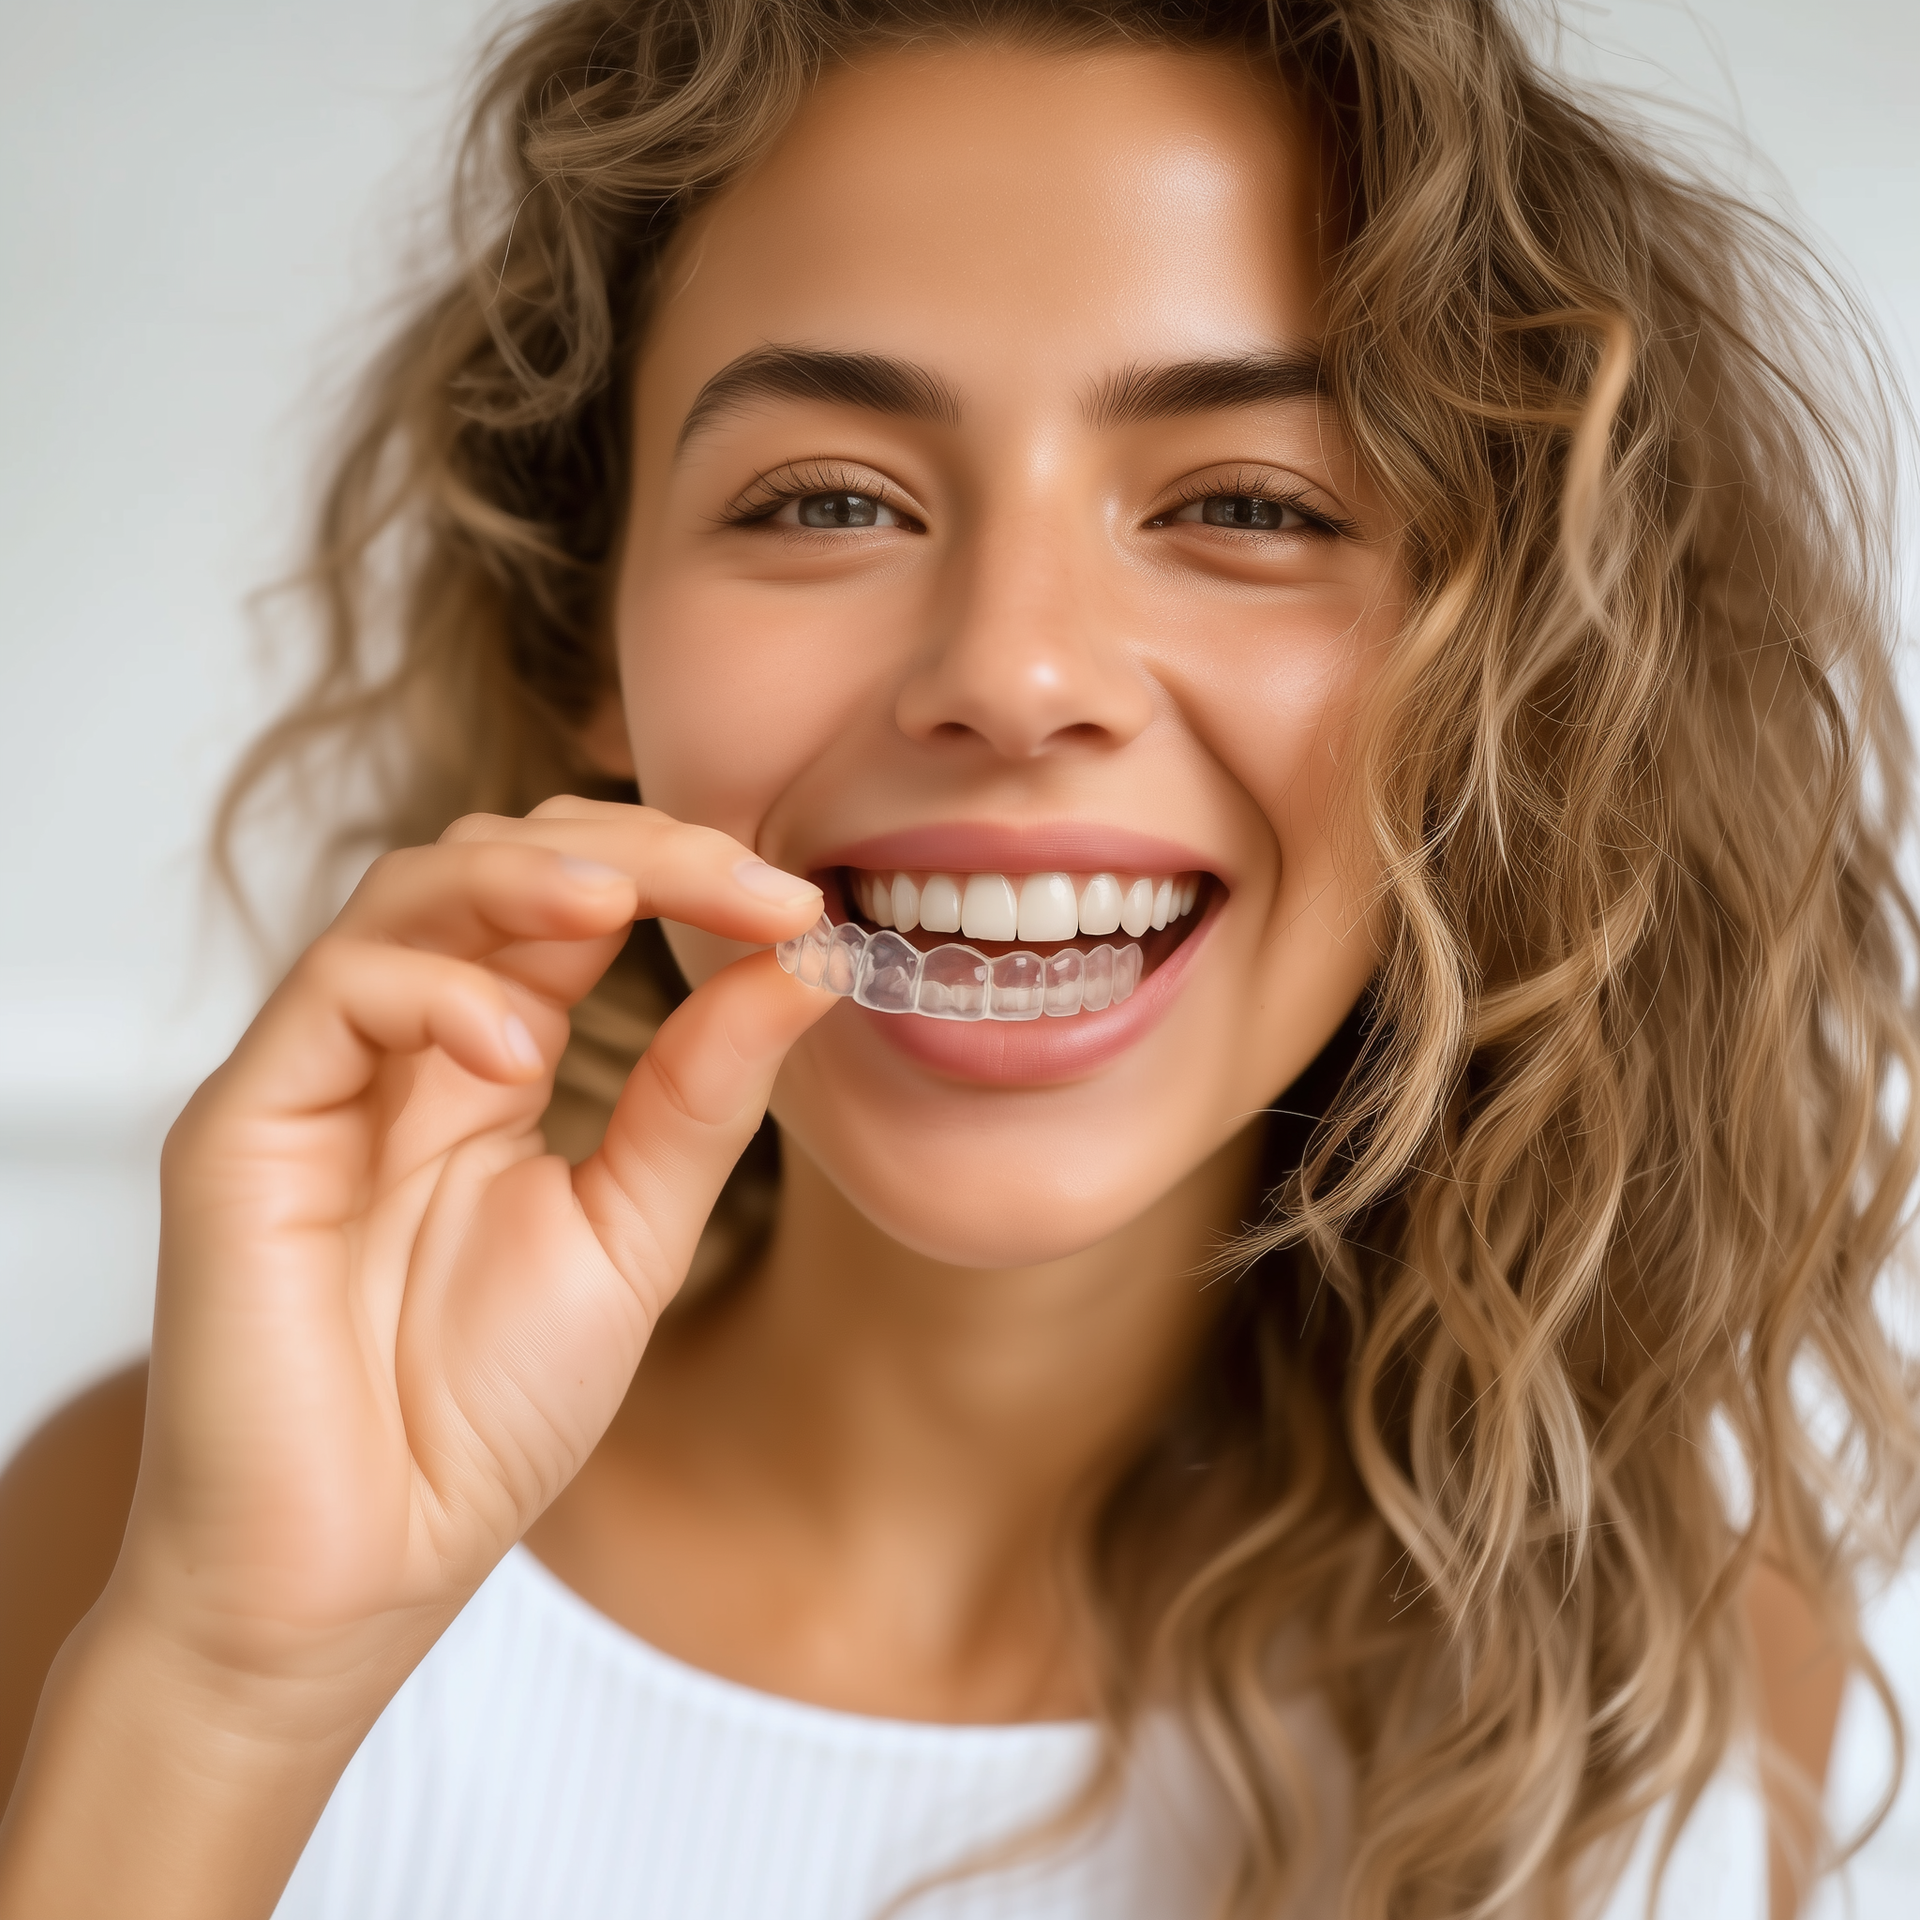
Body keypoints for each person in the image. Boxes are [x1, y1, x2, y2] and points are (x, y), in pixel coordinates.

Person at [1, 2, 1913, 1915]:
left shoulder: (1696, 1706)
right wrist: (230, 1696)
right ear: (592, 641)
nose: (1012, 672)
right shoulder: (156, 1546)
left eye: (1248, 505)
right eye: (829, 501)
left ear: (1514, 677)